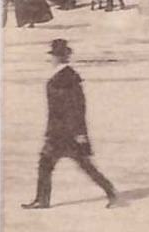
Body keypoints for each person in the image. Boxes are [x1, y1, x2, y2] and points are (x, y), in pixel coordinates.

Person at [23, 39, 122, 210]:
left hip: (65, 133)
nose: (51, 59)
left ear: (60, 57)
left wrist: (79, 132)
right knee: (75, 165)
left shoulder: (68, 78)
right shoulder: (62, 75)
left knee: (61, 164)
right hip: (59, 131)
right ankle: (110, 192)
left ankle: (43, 200)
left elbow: (77, 107)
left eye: (53, 55)